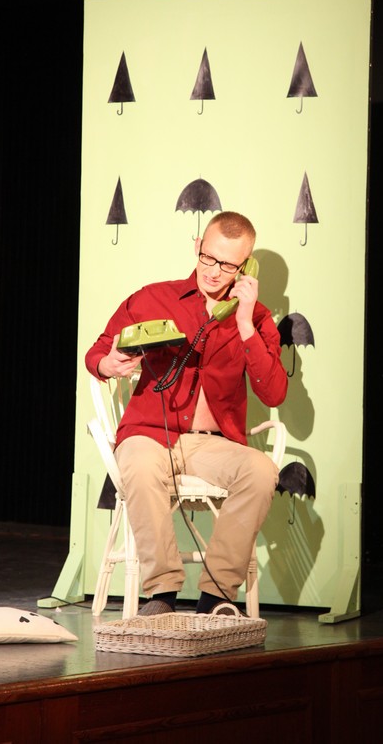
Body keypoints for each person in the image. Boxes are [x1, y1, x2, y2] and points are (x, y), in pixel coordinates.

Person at [85, 211, 288, 616]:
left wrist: (244, 323)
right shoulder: (153, 298)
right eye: (208, 257)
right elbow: (98, 352)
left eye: (227, 265)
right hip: (149, 434)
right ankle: (162, 594)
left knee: (261, 470)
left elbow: (274, 391)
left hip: (211, 445)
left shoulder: (256, 318)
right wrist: (109, 364)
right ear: (198, 246)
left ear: (245, 267)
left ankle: (215, 597)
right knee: (140, 465)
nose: (213, 271)